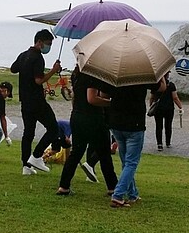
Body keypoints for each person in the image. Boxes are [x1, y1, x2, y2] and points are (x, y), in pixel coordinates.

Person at [56, 66, 118, 196]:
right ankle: (112, 186)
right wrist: (111, 103)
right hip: (93, 118)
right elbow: (92, 98)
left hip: (77, 115)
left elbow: (75, 97)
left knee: (76, 152)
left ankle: (64, 185)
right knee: (104, 153)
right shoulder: (92, 75)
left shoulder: (76, 75)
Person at [107, 77, 166, 207]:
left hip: (116, 122)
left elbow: (105, 94)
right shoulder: (140, 76)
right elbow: (162, 87)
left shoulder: (117, 75)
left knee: (126, 161)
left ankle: (132, 193)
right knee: (131, 162)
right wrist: (159, 75)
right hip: (135, 124)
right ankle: (118, 195)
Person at [11, 29, 62, 175]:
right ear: (39, 42)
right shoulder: (38, 57)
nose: (49, 47)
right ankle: (37, 156)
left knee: (28, 133)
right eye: (48, 44)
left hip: (25, 101)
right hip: (37, 101)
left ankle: (26, 166)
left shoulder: (23, 55)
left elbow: (13, 69)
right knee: (53, 128)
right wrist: (53, 70)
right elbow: (39, 80)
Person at [150, 71, 183, 150]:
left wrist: (151, 105)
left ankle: (159, 144)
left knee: (159, 126)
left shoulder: (156, 85)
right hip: (169, 108)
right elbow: (175, 98)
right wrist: (180, 107)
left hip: (158, 108)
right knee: (168, 126)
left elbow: (152, 97)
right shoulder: (171, 85)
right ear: (167, 75)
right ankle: (168, 143)